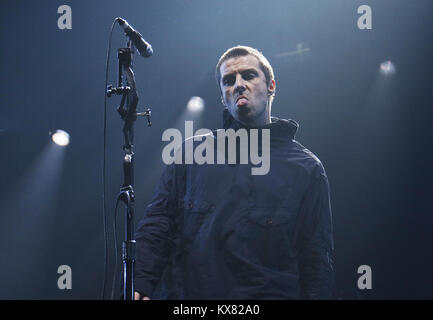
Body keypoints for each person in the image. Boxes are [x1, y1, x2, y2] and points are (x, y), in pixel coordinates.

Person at [134, 45, 334, 300]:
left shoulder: (307, 169)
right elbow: (158, 224)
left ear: (271, 85)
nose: (238, 84)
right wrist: (140, 282)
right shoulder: (191, 152)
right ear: (222, 96)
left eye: (248, 75)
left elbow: (316, 258)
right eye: (229, 80)